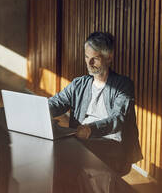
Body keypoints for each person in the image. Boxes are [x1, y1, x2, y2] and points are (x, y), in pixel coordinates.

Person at [48, 31, 142, 174]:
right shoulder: (79, 84)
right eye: (86, 57)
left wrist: (91, 129)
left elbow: (118, 118)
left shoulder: (123, 84)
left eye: (95, 59)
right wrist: (39, 109)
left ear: (109, 57)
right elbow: (57, 102)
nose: (89, 63)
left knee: (64, 154)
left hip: (112, 144)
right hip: (82, 139)